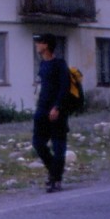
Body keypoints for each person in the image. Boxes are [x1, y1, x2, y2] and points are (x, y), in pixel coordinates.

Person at [32, 33, 70, 192]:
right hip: (42, 109)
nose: (36, 45)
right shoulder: (43, 64)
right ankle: (55, 172)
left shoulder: (59, 64)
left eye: (39, 42)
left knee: (58, 145)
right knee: (38, 143)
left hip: (57, 111)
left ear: (46, 45)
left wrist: (57, 107)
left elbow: (64, 88)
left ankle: (55, 179)